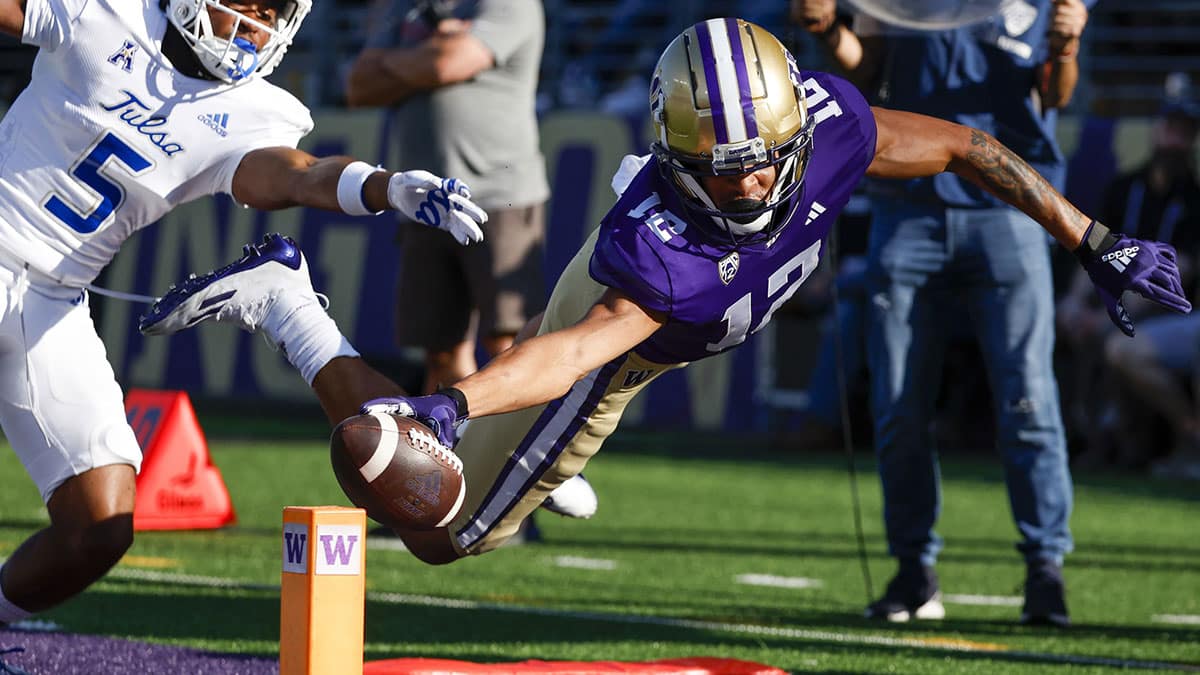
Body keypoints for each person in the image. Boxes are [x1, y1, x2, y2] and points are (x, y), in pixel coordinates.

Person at [141, 17, 1187, 614]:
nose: (752, 184)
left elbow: (971, 146)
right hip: (611, 354)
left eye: (766, 160)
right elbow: (575, 350)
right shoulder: (666, 252)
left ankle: (519, 453)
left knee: (467, 472)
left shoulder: (829, 124)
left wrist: (1095, 238)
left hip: (627, 336)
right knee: (438, 532)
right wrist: (447, 409)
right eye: (724, 171)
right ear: (678, 156)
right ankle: (291, 308)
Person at [0, 0, 488, 625]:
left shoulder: (256, 109)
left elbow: (298, 174)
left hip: (52, 302)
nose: (257, 20)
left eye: (273, 8)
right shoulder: (106, 13)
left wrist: (384, 186)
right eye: (247, 0)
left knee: (99, 523)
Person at [794, 0, 1092, 625]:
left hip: (1009, 210)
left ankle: (1045, 568)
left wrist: (1066, 46)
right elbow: (866, 68)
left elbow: (1054, 94)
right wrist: (826, 26)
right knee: (898, 403)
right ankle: (913, 571)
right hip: (909, 205)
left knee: (1028, 399)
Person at [344, 0, 549, 394]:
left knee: (509, 341)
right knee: (440, 350)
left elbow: (444, 65)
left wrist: (401, 61)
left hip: (499, 194)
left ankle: (522, 434)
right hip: (423, 200)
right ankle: (455, 432)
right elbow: (359, 86)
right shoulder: (406, 6)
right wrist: (430, 54)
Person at [1057, 82, 1200, 470]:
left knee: (1116, 340)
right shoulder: (1124, 188)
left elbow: (1173, 278)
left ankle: (1157, 437)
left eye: (1184, 133)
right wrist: (1075, 302)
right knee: (1066, 322)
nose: (1174, 140)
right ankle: (1079, 431)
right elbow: (1094, 250)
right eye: (1170, 129)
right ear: (1156, 130)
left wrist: (1109, 314)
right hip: (1116, 302)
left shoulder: (1194, 200)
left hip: (1167, 310)